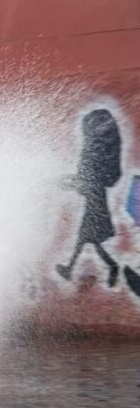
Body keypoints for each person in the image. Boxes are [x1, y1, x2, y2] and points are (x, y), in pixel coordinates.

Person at [56, 109, 122, 287]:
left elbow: (86, 182)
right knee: (89, 239)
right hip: (95, 202)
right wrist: (71, 182)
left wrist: (66, 184)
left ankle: (71, 268)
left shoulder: (92, 155)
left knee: (86, 237)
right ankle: (109, 266)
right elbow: (87, 181)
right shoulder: (97, 154)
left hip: (95, 204)